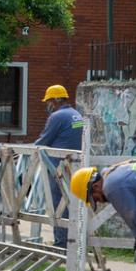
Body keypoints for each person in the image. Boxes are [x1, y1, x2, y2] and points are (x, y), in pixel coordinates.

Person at [35, 84, 84, 248]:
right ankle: (73, 241)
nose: (47, 105)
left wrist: (28, 149)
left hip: (57, 167)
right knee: (71, 204)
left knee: (58, 204)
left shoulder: (57, 117)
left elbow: (44, 140)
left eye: (48, 101)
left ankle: (61, 243)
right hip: (75, 166)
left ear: (56, 99)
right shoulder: (76, 115)